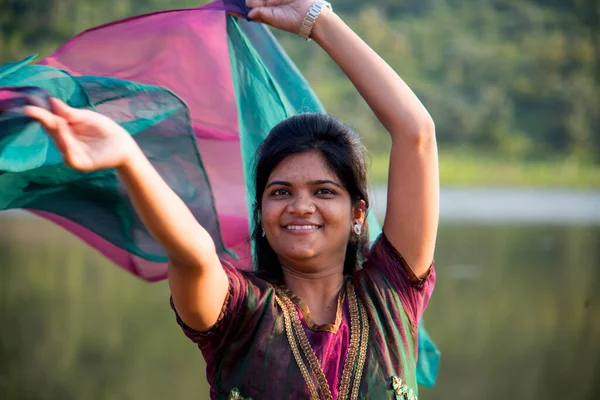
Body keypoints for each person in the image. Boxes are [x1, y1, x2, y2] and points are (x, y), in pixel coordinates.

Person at [23, 0, 439, 398]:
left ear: (357, 213)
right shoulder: (239, 316)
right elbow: (193, 255)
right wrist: (129, 158)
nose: (300, 206)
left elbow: (416, 132)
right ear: (261, 214)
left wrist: (316, 18)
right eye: (280, 192)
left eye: (324, 192)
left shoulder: (391, 295)